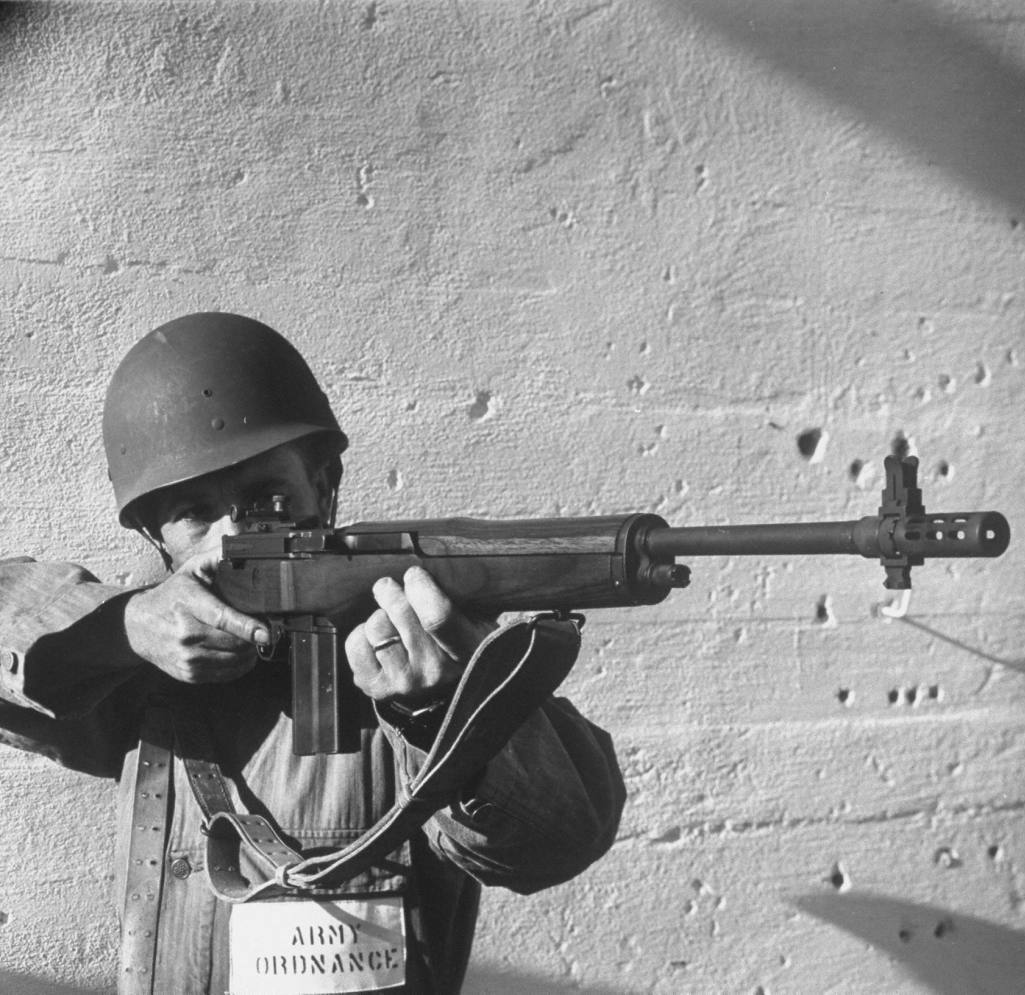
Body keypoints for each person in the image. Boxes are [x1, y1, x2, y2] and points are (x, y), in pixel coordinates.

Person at [0, 312, 626, 994]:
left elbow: (561, 838)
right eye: (195, 512)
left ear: (323, 488)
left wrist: (443, 707)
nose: (235, 534)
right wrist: (121, 627)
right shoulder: (140, 670)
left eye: (267, 497)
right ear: (156, 536)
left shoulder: (417, 655)